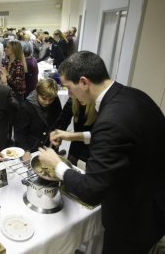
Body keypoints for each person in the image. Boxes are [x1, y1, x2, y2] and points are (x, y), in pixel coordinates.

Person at [38, 51, 165, 254]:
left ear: (84, 82)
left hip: (134, 218)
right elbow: (123, 140)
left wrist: (57, 164)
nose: (70, 95)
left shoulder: (112, 119)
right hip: (154, 200)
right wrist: (73, 136)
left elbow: (91, 191)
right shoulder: (131, 95)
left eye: (70, 89)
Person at [14, 78, 61, 152]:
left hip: (49, 142)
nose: (47, 102)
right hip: (32, 146)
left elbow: (59, 119)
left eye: (50, 99)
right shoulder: (26, 107)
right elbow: (20, 132)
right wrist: (25, 150)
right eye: (44, 98)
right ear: (37, 93)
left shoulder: (55, 99)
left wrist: (57, 134)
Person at [54, 97, 97, 165]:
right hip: (77, 141)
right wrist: (58, 136)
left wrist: (70, 136)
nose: (69, 93)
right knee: (70, 164)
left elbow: (99, 135)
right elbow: (63, 120)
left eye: (69, 88)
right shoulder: (73, 100)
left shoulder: (98, 103)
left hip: (95, 144)